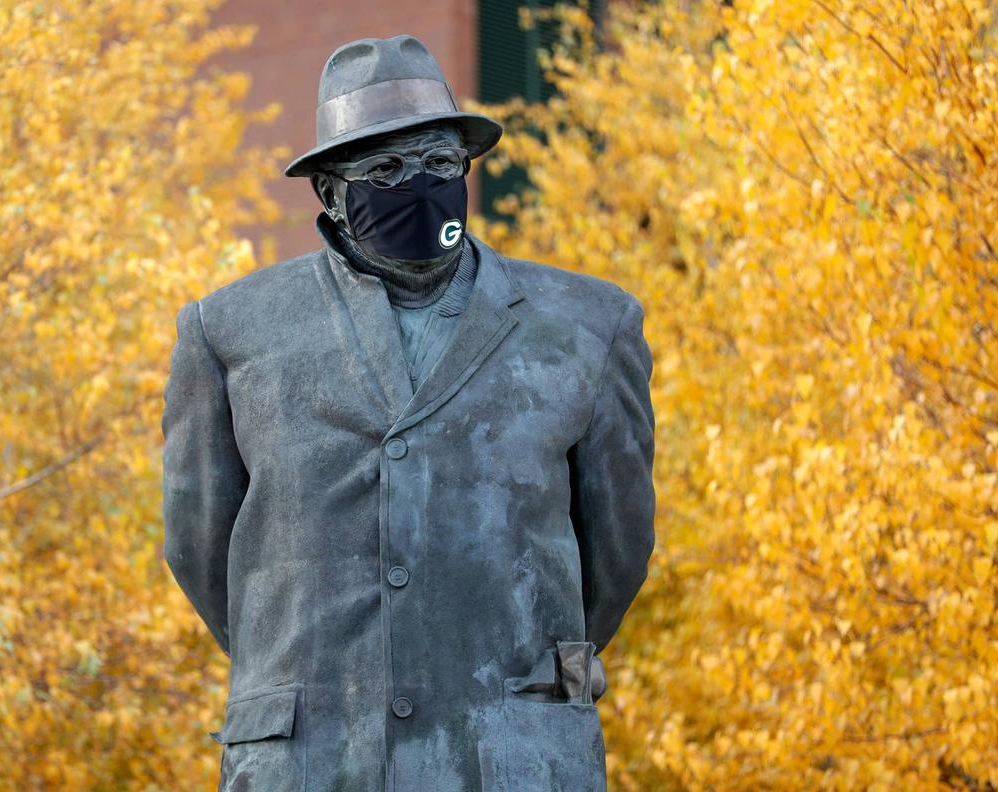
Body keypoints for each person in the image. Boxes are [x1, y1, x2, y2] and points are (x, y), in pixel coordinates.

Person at [161, 33, 657, 792]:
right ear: (330, 192)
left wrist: (510, 665)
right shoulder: (228, 332)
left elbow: (617, 551)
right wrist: (311, 664)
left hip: (515, 755)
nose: (420, 187)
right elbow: (200, 549)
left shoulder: (591, 324)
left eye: (439, 164)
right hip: (311, 760)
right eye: (386, 171)